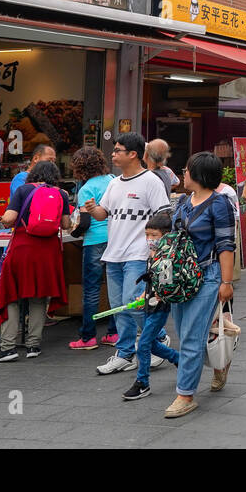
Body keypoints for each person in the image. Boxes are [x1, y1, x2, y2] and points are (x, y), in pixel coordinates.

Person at [86, 133, 172, 376]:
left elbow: (164, 217)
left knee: (132, 303)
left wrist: (156, 252)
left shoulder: (150, 181)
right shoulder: (114, 183)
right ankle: (125, 354)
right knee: (119, 307)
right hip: (114, 254)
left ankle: (159, 338)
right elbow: (105, 213)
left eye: (117, 150)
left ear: (133, 154)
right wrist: (94, 209)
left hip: (139, 253)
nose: (113, 154)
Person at [164, 151, 236, 418]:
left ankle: (185, 395)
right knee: (185, 334)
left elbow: (226, 245)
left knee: (192, 338)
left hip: (208, 276)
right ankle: (220, 363)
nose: (183, 173)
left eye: (186, 169)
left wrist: (226, 282)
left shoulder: (220, 204)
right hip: (181, 279)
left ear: (199, 174)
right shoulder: (183, 201)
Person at [0, 160, 73, 363]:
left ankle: (8, 347)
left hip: (23, 247)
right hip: (48, 251)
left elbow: (9, 218)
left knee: (12, 296)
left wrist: (1, 219)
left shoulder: (23, 190)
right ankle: (34, 345)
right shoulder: (61, 194)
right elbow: (66, 224)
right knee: (39, 297)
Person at [120, 212, 183, 402]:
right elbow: (152, 281)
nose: (149, 239)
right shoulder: (153, 254)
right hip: (149, 304)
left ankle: (142, 383)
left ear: (165, 234)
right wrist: (143, 295)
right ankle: (178, 359)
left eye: (153, 235)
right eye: (147, 235)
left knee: (144, 344)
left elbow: (165, 282)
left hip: (160, 307)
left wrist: (158, 293)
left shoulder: (165, 255)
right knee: (152, 344)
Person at [68, 145, 115, 350]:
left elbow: (84, 223)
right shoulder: (114, 180)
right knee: (115, 289)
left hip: (94, 241)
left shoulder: (86, 189)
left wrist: (73, 233)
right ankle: (114, 333)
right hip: (115, 239)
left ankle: (88, 337)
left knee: (91, 291)